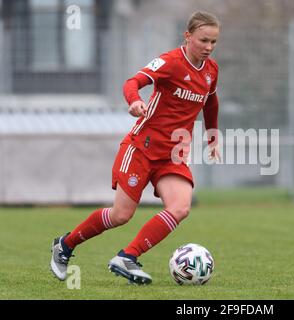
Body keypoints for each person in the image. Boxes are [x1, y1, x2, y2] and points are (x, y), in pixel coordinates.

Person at [50, 11, 221, 285]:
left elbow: (211, 102)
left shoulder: (211, 70)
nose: (209, 48)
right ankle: (65, 245)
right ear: (187, 36)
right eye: (204, 40)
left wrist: (212, 133)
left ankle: (127, 256)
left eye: (213, 42)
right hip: (141, 148)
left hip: (173, 155)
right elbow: (133, 82)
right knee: (121, 215)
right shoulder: (169, 62)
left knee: (180, 207)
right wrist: (134, 101)